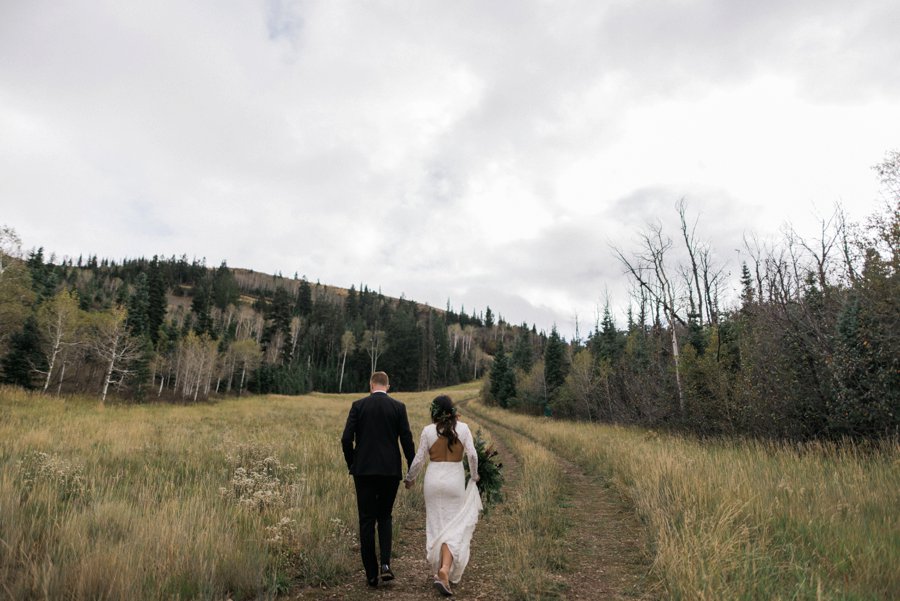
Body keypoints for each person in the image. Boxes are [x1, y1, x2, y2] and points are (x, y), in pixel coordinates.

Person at [341, 371, 416, 588]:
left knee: (366, 520)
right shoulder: (398, 407)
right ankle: (385, 565)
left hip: (363, 471)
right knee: (384, 516)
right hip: (390, 471)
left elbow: (346, 438)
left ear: (371, 385)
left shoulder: (358, 405)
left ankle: (371, 575)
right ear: (388, 386)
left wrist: (352, 463)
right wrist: (412, 469)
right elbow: (407, 440)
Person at [404, 395, 482, 597]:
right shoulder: (463, 429)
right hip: (454, 480)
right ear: (452, 410)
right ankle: (445, 570)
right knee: (453, 526)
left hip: (433, 480)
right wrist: (474, 476)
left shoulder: (428, 431)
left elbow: (419, 459)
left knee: (436, 524)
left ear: (435, 411)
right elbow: (472, 455)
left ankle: (440, 569)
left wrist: (410, 478)